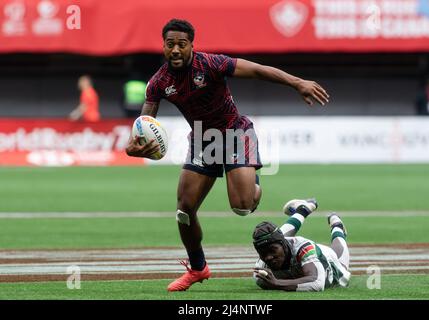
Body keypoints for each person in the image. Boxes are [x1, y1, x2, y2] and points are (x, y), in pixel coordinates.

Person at [125, 19, 330, 292]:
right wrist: (133, 148)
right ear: (163, 46)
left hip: (235, 134)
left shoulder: (211, 64)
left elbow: (257, 70)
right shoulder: (158, 83)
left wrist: (297, 83)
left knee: (243, 206)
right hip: (202, 141)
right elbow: (143, 128)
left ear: (191, 46)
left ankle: (252, 183)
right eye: (170, 44)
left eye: (181, 44)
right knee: (184, 211)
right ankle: (198, 268)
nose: (175, 50)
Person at [252, 199, 351, 292]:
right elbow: (259, 279)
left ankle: (337, 227)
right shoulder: (263, 263)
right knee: (274, 238)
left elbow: (317, 283)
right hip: (286, 245)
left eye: (272, 250)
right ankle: (303, 209)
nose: (268, 257)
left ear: (284, 244)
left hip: (327, 259)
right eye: (262, 253)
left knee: (344, 275)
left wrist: (277, 283)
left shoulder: (304, 248)